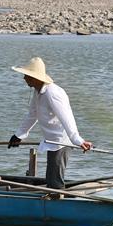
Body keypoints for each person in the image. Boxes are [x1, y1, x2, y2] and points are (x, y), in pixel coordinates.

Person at [7, 57, 92, 191]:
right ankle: (54, 197)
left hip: (62, 142)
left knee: (54, 182)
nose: (24, 78)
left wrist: (77, 139)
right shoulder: (38, 91)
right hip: (51, 141)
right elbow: (32, 115)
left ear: (34, 77)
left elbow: (67, 118)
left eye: (26, 75)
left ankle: (58, 203)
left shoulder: (52, 93)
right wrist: (19, 135)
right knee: (51, 178)